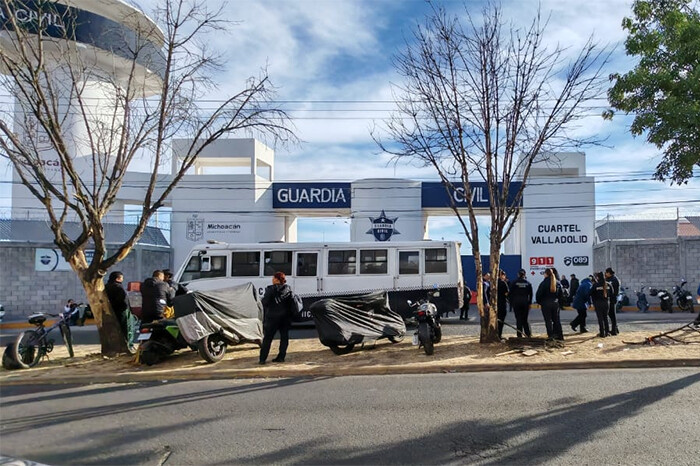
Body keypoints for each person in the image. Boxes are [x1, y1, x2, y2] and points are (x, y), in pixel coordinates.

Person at [259, 271, 295, 364]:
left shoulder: (270, 290)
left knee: (268, 338)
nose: (272, 279)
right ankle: (281, 357)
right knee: (284, 337)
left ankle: (262, 359)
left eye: (273, 278)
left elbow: (264, 303)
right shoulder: (288, 289)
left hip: (272, 318)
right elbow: (291, 303)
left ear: (276, 279)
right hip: (285, 318)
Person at [535, 268, 564, 340]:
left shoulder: (543, 283)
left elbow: (538, 294)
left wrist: (540, 302)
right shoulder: (557, 282)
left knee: (548, 321)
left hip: (546, 304)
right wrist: (559, 302)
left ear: (546, 274)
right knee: (556, 320)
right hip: (555, 303)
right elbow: (561, 294)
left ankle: (551, 336)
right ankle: (560, 336)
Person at [105, 271, 130, 339]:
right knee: (123, 328)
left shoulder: (106, 287)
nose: (122, 279)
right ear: (117, 278)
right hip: (120, 310)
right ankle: (124, 342)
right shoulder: (119, 287)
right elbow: (123, 299)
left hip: (109, 310)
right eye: (122, 278)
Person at [509, 269, 533, 338]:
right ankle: (528, 334)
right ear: (524, 275)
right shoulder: (528, 283)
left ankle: (519, 335)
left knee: (518, 319)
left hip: (516, 303)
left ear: (518, 275)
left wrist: (511, 303)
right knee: (525, 319)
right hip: (525, 303)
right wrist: (530, 303)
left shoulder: (514, 283)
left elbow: (510, 293)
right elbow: (530, 294)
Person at [591, 272, 611, 337]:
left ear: (598, 277)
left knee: (600, 318)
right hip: (606, 302)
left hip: (598, 303)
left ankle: (602, 333)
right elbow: (612, 293)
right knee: (606, 317)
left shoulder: (596, 285)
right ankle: (607, 332)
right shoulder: (608, 284)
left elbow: (590, 293)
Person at [605, 267, 620, 335]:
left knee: (612, 315)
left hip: (612, 299)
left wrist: (612, 297)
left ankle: (614, 330)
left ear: (609, 273)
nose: (605, 274)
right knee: (610, 315)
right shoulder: (608, 279)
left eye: (606, 273)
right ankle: (615, 329)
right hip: (608, 299)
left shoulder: (614, 280)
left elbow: (615, 291)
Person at [497, 270, 509, 339]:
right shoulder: (503, 283)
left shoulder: (492, 283)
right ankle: (499, 335)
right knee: (501, 321)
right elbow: (507, 293)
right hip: (502, 303)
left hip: (494, 304)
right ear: (501, 275)